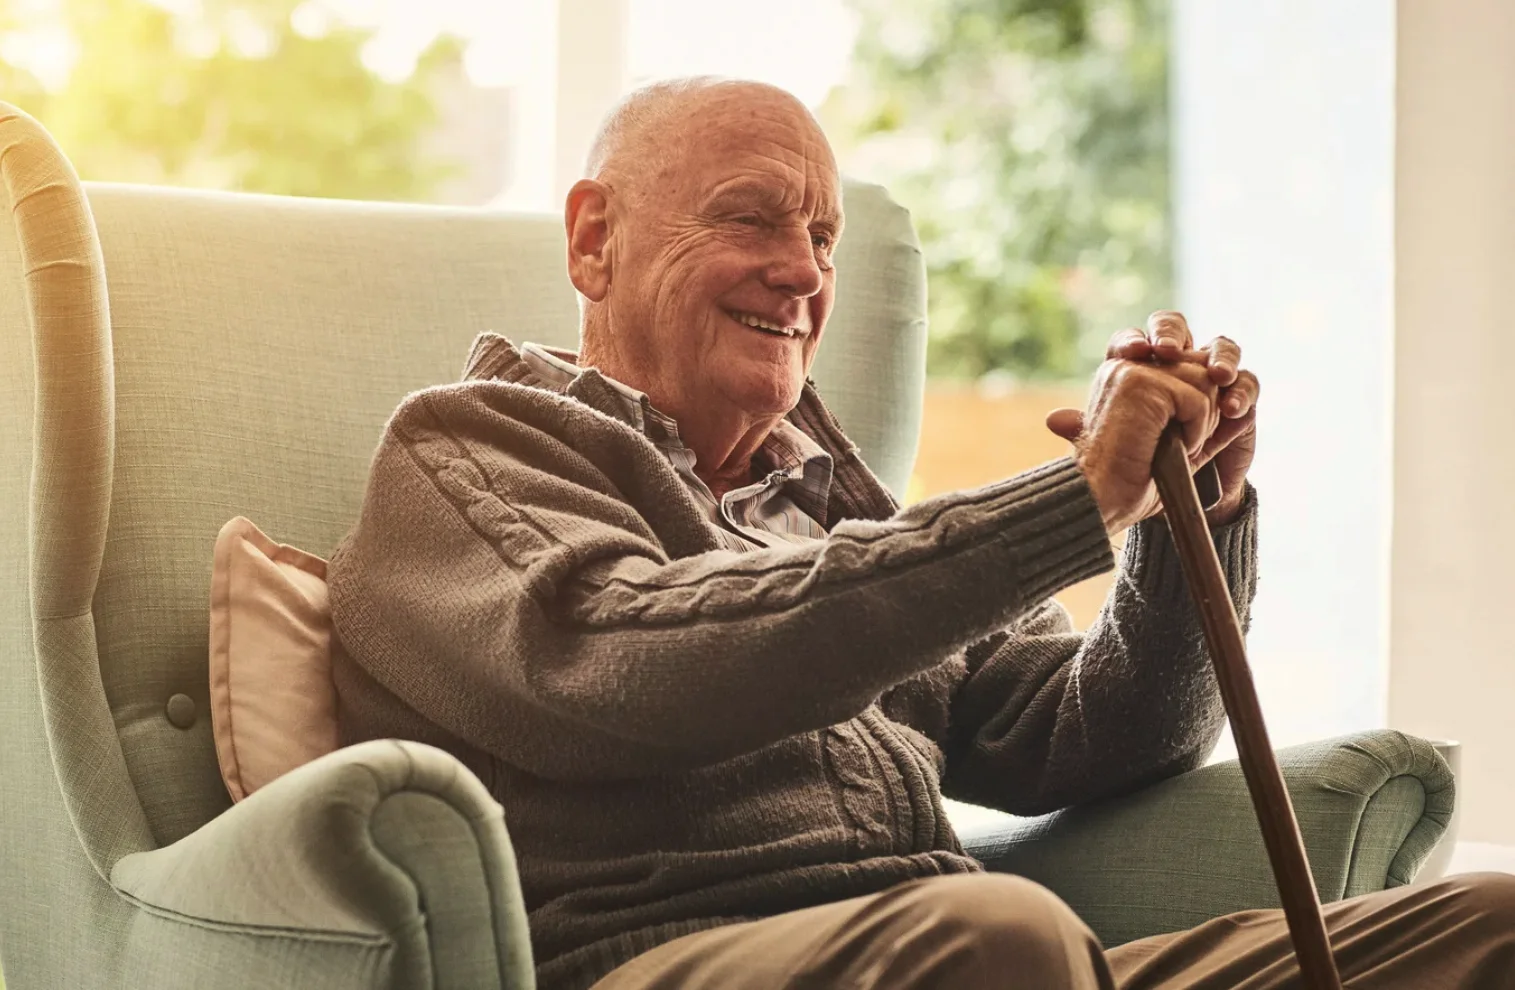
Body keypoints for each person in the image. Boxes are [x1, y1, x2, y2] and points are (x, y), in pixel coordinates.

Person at [327, 77, 1514, 990]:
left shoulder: (834, 503)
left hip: (983, 956)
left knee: (1488, 928)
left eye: (824, 237)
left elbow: (1095, 734)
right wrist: (1074, 501)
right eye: (752, 219)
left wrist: (1179, 516)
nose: (802, 273)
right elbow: (632, 663)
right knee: (998, 936)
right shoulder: (473, 448)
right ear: (595, 239)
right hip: (679, 956)